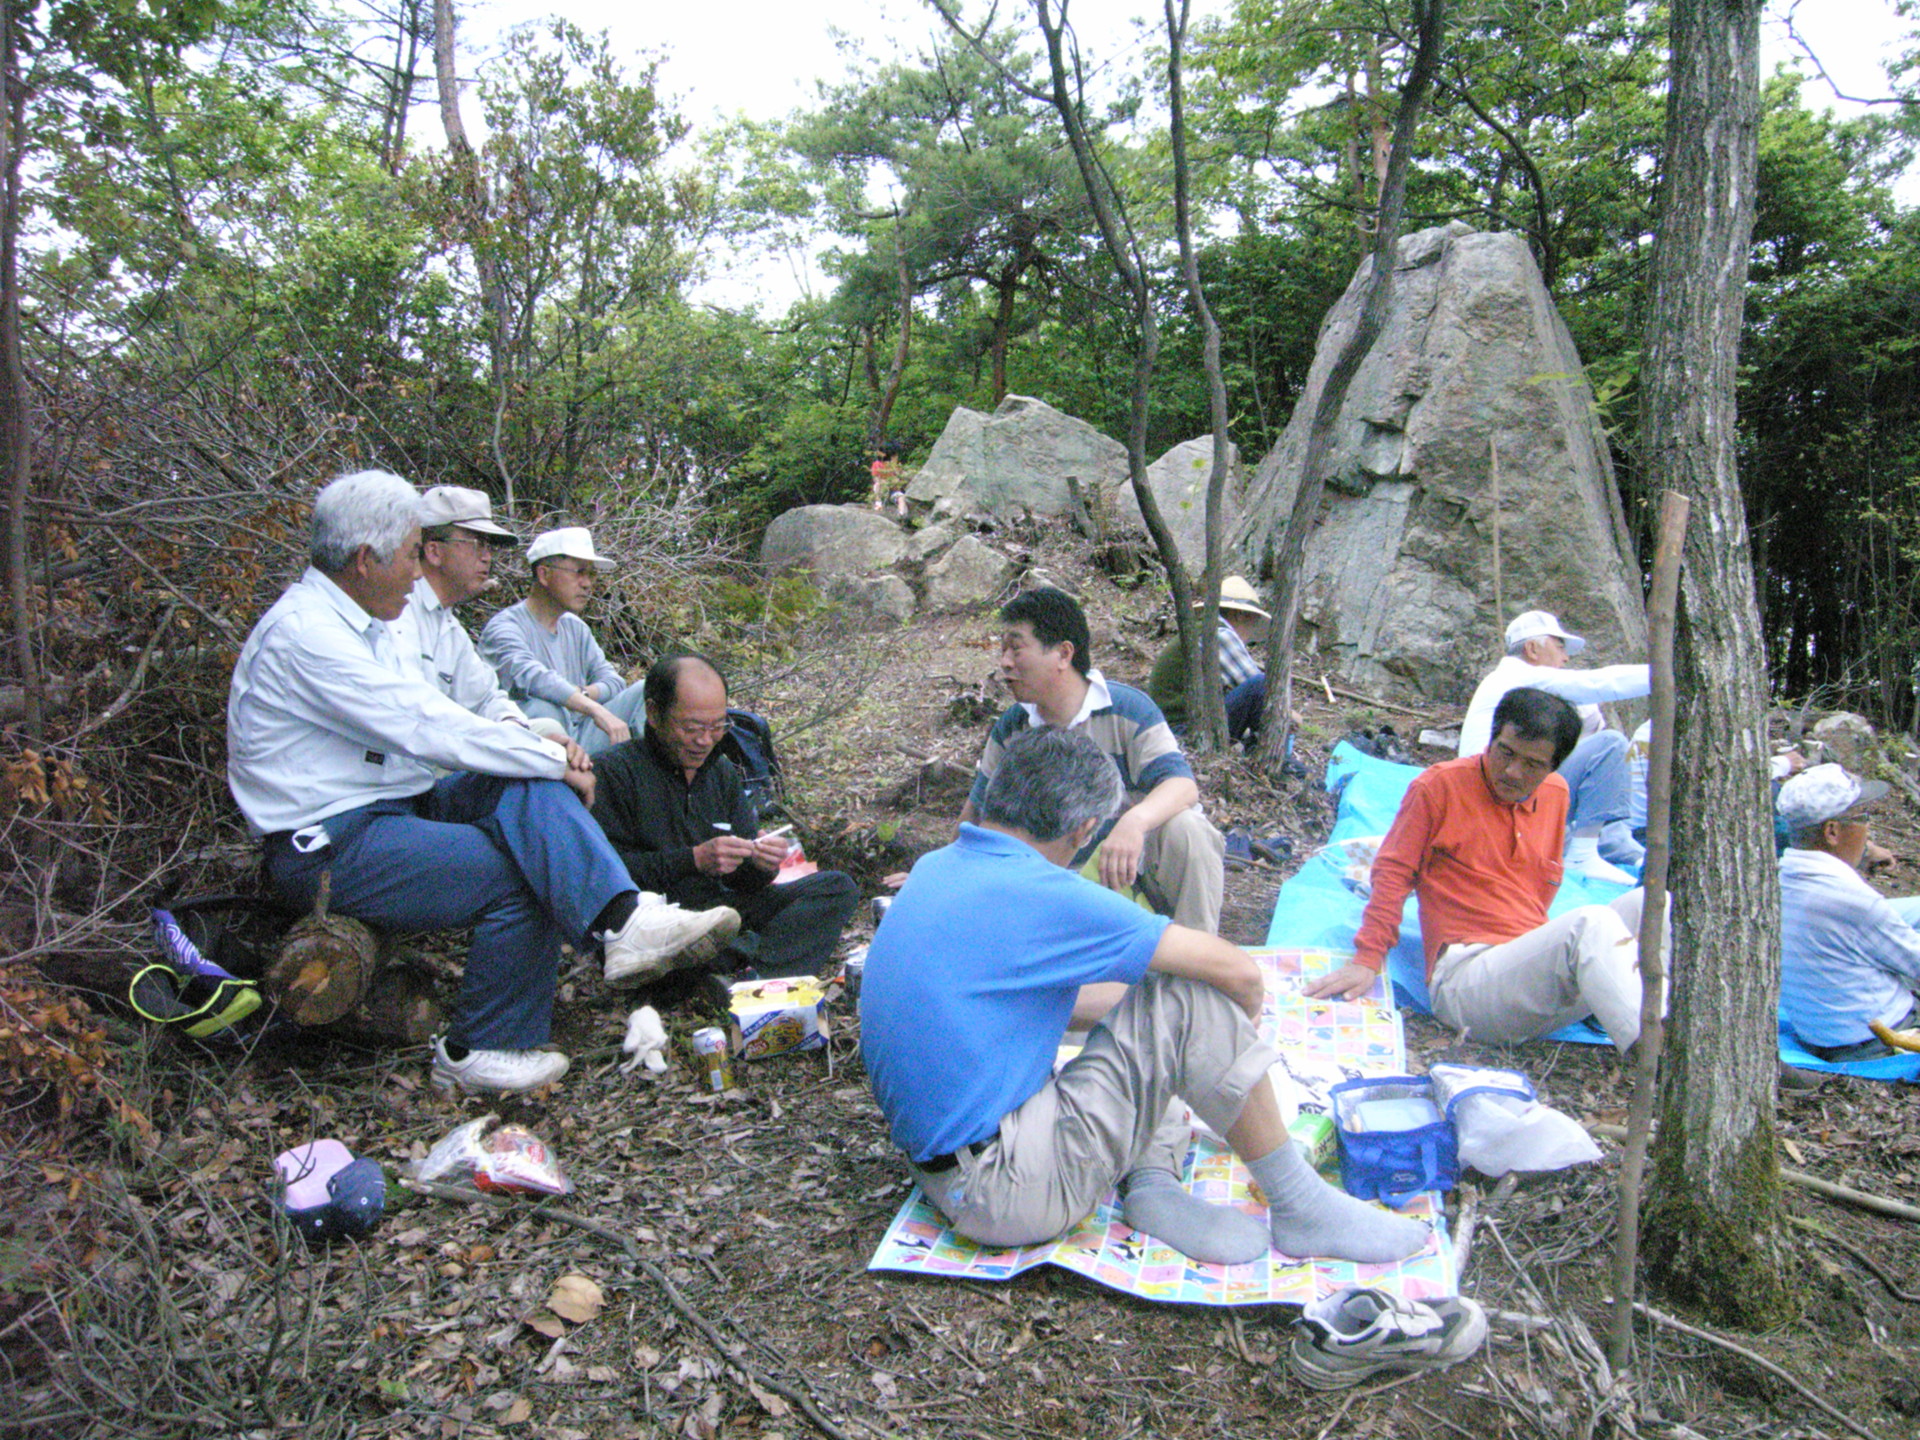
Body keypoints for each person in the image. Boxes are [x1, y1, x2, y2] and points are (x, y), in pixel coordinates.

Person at [227, 472, 740, 1093]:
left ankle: (622, 921)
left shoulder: (369, 619)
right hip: (329, 843)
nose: (417, 571)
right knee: (521, 866)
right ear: (365, 560)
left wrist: (538, 751)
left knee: (528, 790)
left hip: (400, 807)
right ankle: (480, 1047)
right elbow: (424, 724)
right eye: (411, 555)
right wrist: (548, 756)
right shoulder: (309, 635)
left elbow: (480, 700)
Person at [863, 726, 1428, 1267]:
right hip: (1006, 1188)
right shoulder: (1041, 891)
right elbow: (1237, 972)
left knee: (1158, 1011)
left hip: (946, 1173)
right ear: (1085, 830)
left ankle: (1153, 1184)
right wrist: (1226, 1029)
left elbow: (1035, 1005)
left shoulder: (937, 868)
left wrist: (1177, 1040)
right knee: (1189, 998)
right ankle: (1301, 1205)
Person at [1309, 687, 1661, 1052]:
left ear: (1553, 767)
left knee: (1654, 906)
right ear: (1491, 739)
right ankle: (1655, 1055)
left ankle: (1653, 1023)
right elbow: (1393, 875)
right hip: (1467, 983)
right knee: (1591, 922)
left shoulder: (1555, 794)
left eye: (1532, 764)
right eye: (1505, 752)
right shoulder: (1439, 786)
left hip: (1528, 975)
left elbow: (1543, 886)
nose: (1512, 771)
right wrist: (1367, 959)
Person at [963, 587, 1226, 932]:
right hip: (1052, 886)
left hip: (1131, 872)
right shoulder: (1013, 727)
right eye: (1003, 651)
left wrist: (1134, 822)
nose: (1005, 662)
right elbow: (977, 816)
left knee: (1188, 828)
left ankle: (1197, 953)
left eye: (1016, 648)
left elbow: (1182, 786)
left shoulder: (1127, 710)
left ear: (1063, 654)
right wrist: (944, 875)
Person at [591, 654, 860, 979]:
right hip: (659, 925)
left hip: (724, 911)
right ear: (653, 713)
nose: (705, 740)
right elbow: (605, 878)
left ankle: (743, 972)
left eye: (717, 726)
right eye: (691, 728)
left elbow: (744, 882)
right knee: (691, 944)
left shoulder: (719, 771)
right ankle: (749, 967)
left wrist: (761, 863)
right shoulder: (611, 772)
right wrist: (693, 860)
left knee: (836, 887)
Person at [1458, 609, 1650, 883]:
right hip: (1499, 795)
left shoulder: (1509, 683)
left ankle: (1607, 848)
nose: (1566, 657)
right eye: (1560, 646)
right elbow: (1601, 683)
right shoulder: (1521, 677)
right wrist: (1667, 673)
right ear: (1532, 649)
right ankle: (1583, 854)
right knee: (1610, 744)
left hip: (1490, 794)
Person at [1777, 763, 1920, 1061]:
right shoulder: (1853, 902)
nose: (1868, 830)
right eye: (1862, 818)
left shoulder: (1779, 877)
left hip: (1821, 1033)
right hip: (1875, 1039)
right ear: (1832, 831)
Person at [391, 485, 547, 736]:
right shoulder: (398, 609)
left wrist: (512, 726)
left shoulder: (449, 625)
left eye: (489, 546)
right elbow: (412, 708)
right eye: (477, 544)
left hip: (444, 741)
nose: (487, 557)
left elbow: (485, 697)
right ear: (434, 551)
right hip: (416, 747)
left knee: (546, 732)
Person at [479, 527, 641, 755]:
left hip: (581, 734)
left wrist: (583, 695)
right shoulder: (505, 628)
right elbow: (534, 679)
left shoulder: (575, 627)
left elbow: (614, 681)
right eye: (579, 572)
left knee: (645, 690)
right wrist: (593, 709)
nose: (587, 584)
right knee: (546, 709)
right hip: (533, 748)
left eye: (591, 574)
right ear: (544, 574)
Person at [1146, 575, 1272, 745]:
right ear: (1241, 615)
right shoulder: (1219, 634)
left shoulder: (1200, 630)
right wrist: (1290, 716)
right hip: (1183, 731)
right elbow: (1263, 691)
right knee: (1259, 684)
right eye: (1253, 621)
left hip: (1169, 730)